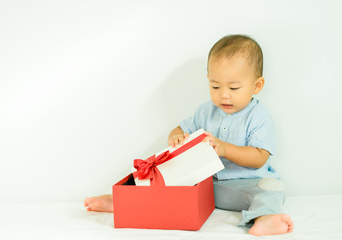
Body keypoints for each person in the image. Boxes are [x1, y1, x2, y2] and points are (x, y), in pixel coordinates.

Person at [84, 34, 294, 236]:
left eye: (234, 87)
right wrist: (176, 136)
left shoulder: (258, 116)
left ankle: (264, 217)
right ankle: (123, 201)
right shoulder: (205, 111)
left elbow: (259, 158)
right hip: (206, 186)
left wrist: (226, 149)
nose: (224, 94)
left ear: (256, 85)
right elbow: (180, 128)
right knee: (168, 180)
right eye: (215, 86)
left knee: (271, 189)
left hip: (245, 186)